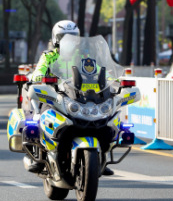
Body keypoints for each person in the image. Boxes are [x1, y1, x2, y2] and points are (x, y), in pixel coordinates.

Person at [26, 20, 115, 176]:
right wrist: (38, 76)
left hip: (79, 96)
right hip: (55, 96)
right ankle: (38, 157)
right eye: (63, 36)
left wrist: (111, 78)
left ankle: (101, 159)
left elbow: (98, 69)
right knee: (39, 118)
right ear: (56, 38)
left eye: (71, 36)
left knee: (104, 121)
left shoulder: (83, 56)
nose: (68, 40)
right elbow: (40, 69)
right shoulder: (49, 56)